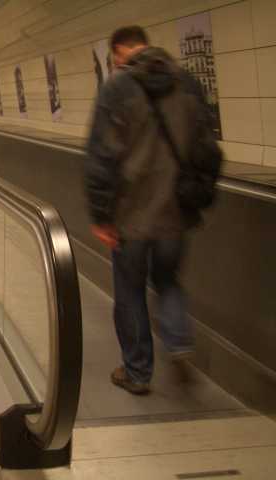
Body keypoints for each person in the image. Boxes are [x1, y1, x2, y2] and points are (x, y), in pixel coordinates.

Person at [84, 26, 222, 394]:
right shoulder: (186, 82)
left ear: (119, 51)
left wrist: (101, 215)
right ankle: (179, 344)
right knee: (168, 281)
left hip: (130, 216)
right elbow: (207, 149)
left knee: (130, 291)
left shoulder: (117, 88)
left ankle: (137, 372)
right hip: (176, 213)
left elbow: (101, 157)